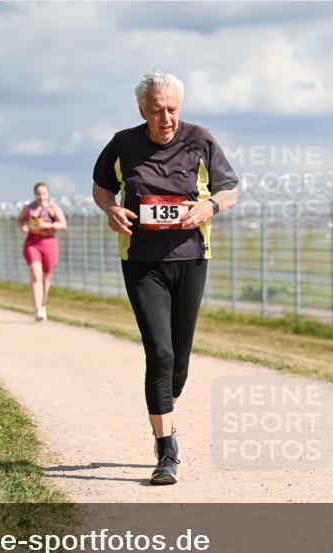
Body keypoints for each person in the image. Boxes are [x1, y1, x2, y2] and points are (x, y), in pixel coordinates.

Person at [92, 71, 239, 485]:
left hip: (192, 258)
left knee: (179, 363)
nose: (166, 118)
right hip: (142, 263)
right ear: (142, 110)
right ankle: (166, 447)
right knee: (160, 352)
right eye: (157, 110)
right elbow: (101, 188)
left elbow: (230, 189)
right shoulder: (123, 144)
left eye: (172, 109)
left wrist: (210, 208)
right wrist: (111, 210)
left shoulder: (200, 139)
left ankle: (166, 400)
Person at [17, 182, 67, 321]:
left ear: (48, 194)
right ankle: (38, 309)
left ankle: (43, 304)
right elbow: (19, 221)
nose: (41, 196)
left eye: (44, 193)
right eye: (38, 193)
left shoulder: (52, 208)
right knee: (35, 276)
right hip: (32, 243)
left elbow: (63, 225)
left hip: (49, 243)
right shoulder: (28, 208)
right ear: (35, 194)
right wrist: (23, 227)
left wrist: (48, 225)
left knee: (46, 277)